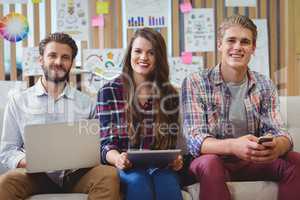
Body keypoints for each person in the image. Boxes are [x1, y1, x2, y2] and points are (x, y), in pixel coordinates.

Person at [181, 15, 300, 200]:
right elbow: (196, 140)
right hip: (211, 162)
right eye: (231, 40)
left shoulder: (264, 84)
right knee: (210, 163)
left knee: (295, 160)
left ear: (253, 48)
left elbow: (280, 131)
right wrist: (233, 146)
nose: (237, 47)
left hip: (251, 161)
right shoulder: (195, 82)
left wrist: (277, 146)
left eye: (245, 42)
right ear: (220, 44)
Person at [0, 32, 120, 200]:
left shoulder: (88, 103)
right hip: (35, 175)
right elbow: (8, 150)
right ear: (41, 60)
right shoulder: (18, 102)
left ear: (71, 63)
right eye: (52, 56)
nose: (58, 62)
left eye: (65, 57)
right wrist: (29, 161)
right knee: (6, 182)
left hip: (77, 175)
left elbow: (99, 146)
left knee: (109, 176)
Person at [97, 28, 183, 200]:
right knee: (138, 181)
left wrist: (177, 160)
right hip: (126, 168)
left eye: (151, 52)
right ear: (130, 54)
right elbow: (105, 144)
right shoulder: (109, 91)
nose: (143, 57)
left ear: (158, 58)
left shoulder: (170, 94)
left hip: (160, 168)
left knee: (167, 182)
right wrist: (117, 159)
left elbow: (172, 143)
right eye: (138, 51)